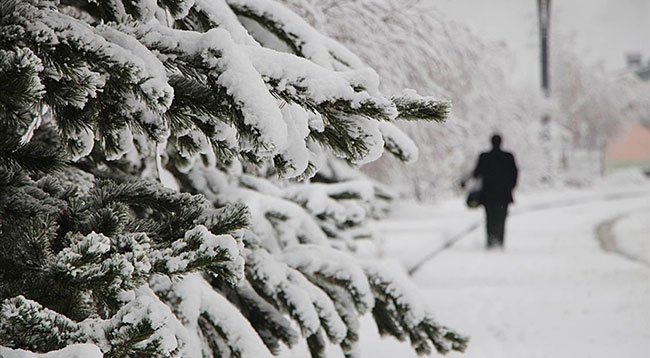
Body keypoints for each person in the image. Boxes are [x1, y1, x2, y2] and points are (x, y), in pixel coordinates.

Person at [471, 134, 518, 249]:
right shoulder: (508, 156)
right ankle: (499, 242)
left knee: (490, 218)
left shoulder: (484, 156)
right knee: (501, 218)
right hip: (504, 195)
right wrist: (510, 186)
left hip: (488, 195)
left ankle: (490, 241)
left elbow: (476, 173)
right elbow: (515, 173)